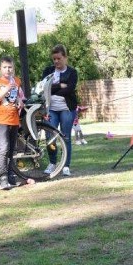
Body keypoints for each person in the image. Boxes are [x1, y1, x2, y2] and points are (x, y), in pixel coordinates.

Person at [0, 56, 25, 190]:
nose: (8, 70)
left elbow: (20, 96)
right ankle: (2, 176)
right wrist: (6, 88)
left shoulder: (17, 81)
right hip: (1, 120)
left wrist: (20, 102)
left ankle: (10, 174)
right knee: (3, 148)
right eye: (5, 67)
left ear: (13, 68)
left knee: (11, 149)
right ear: (0, 69)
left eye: (10, 67)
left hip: (14, 119)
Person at [42, 44, 78, 177]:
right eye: (54, 59)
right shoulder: (48, 71)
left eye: (59, 58)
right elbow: (44, 87)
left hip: (67, 109)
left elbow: (69, 89)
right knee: (50, 137)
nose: (56, 61)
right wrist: (59, 85)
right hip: (50, 109)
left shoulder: (72, 72)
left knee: (66, 137)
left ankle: (65, 166)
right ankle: (52, 163)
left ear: (65, 57)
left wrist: (54, 88)